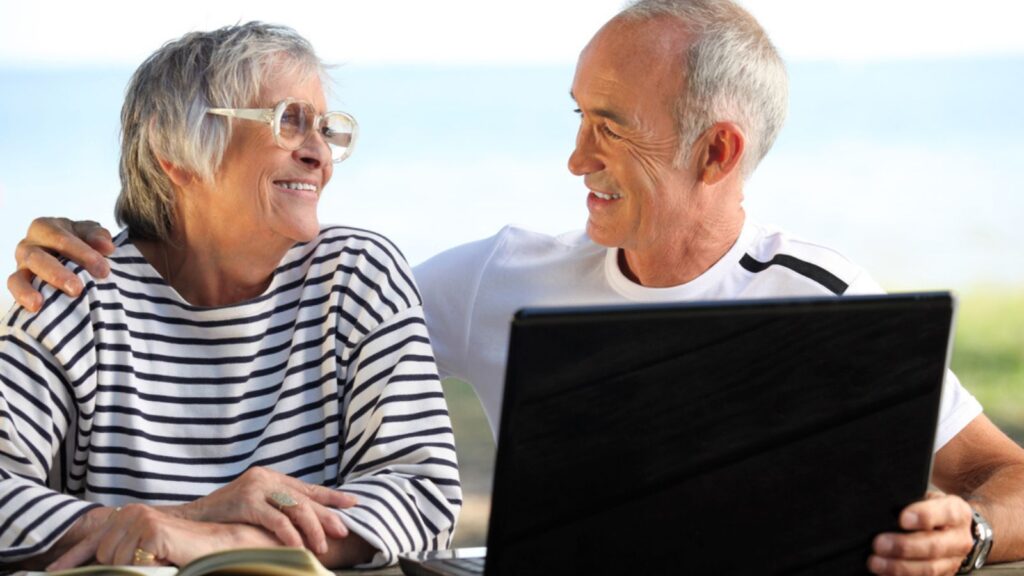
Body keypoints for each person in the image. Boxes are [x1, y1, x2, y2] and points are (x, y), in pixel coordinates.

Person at [9, 1, 1024, 575]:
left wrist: (970, 532)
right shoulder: (485, 275)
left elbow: (1003, 477)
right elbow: (269, 298)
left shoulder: (831, 299)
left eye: (607, 125)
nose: (571, 156)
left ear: (716, 151)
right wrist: (84, 257)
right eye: (574, 114)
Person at [0, 22, 460, 571]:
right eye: (289, 122)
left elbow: (424, 496)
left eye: (324, 128)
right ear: (175, 153)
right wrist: (186, 517)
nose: (320, 155)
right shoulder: (77, 296)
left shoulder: (358, 277)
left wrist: (216, 541)